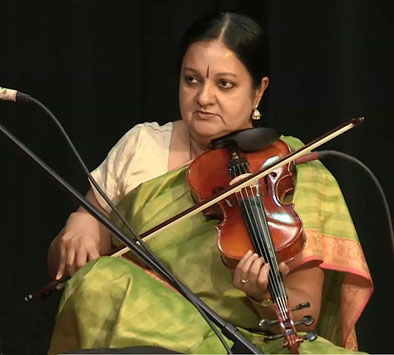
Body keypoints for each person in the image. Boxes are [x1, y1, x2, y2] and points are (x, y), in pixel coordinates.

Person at [47, 12, 373, 354]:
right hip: (147, 336)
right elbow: (67, 272)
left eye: (225, 84)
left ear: (258, 91)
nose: (204, 97)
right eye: (191, 80)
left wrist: (263, 296)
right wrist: (81, 221)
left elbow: (305, 311)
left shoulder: (290, 170)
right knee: (100, 281)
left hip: (251, 344)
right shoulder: (142, 146)